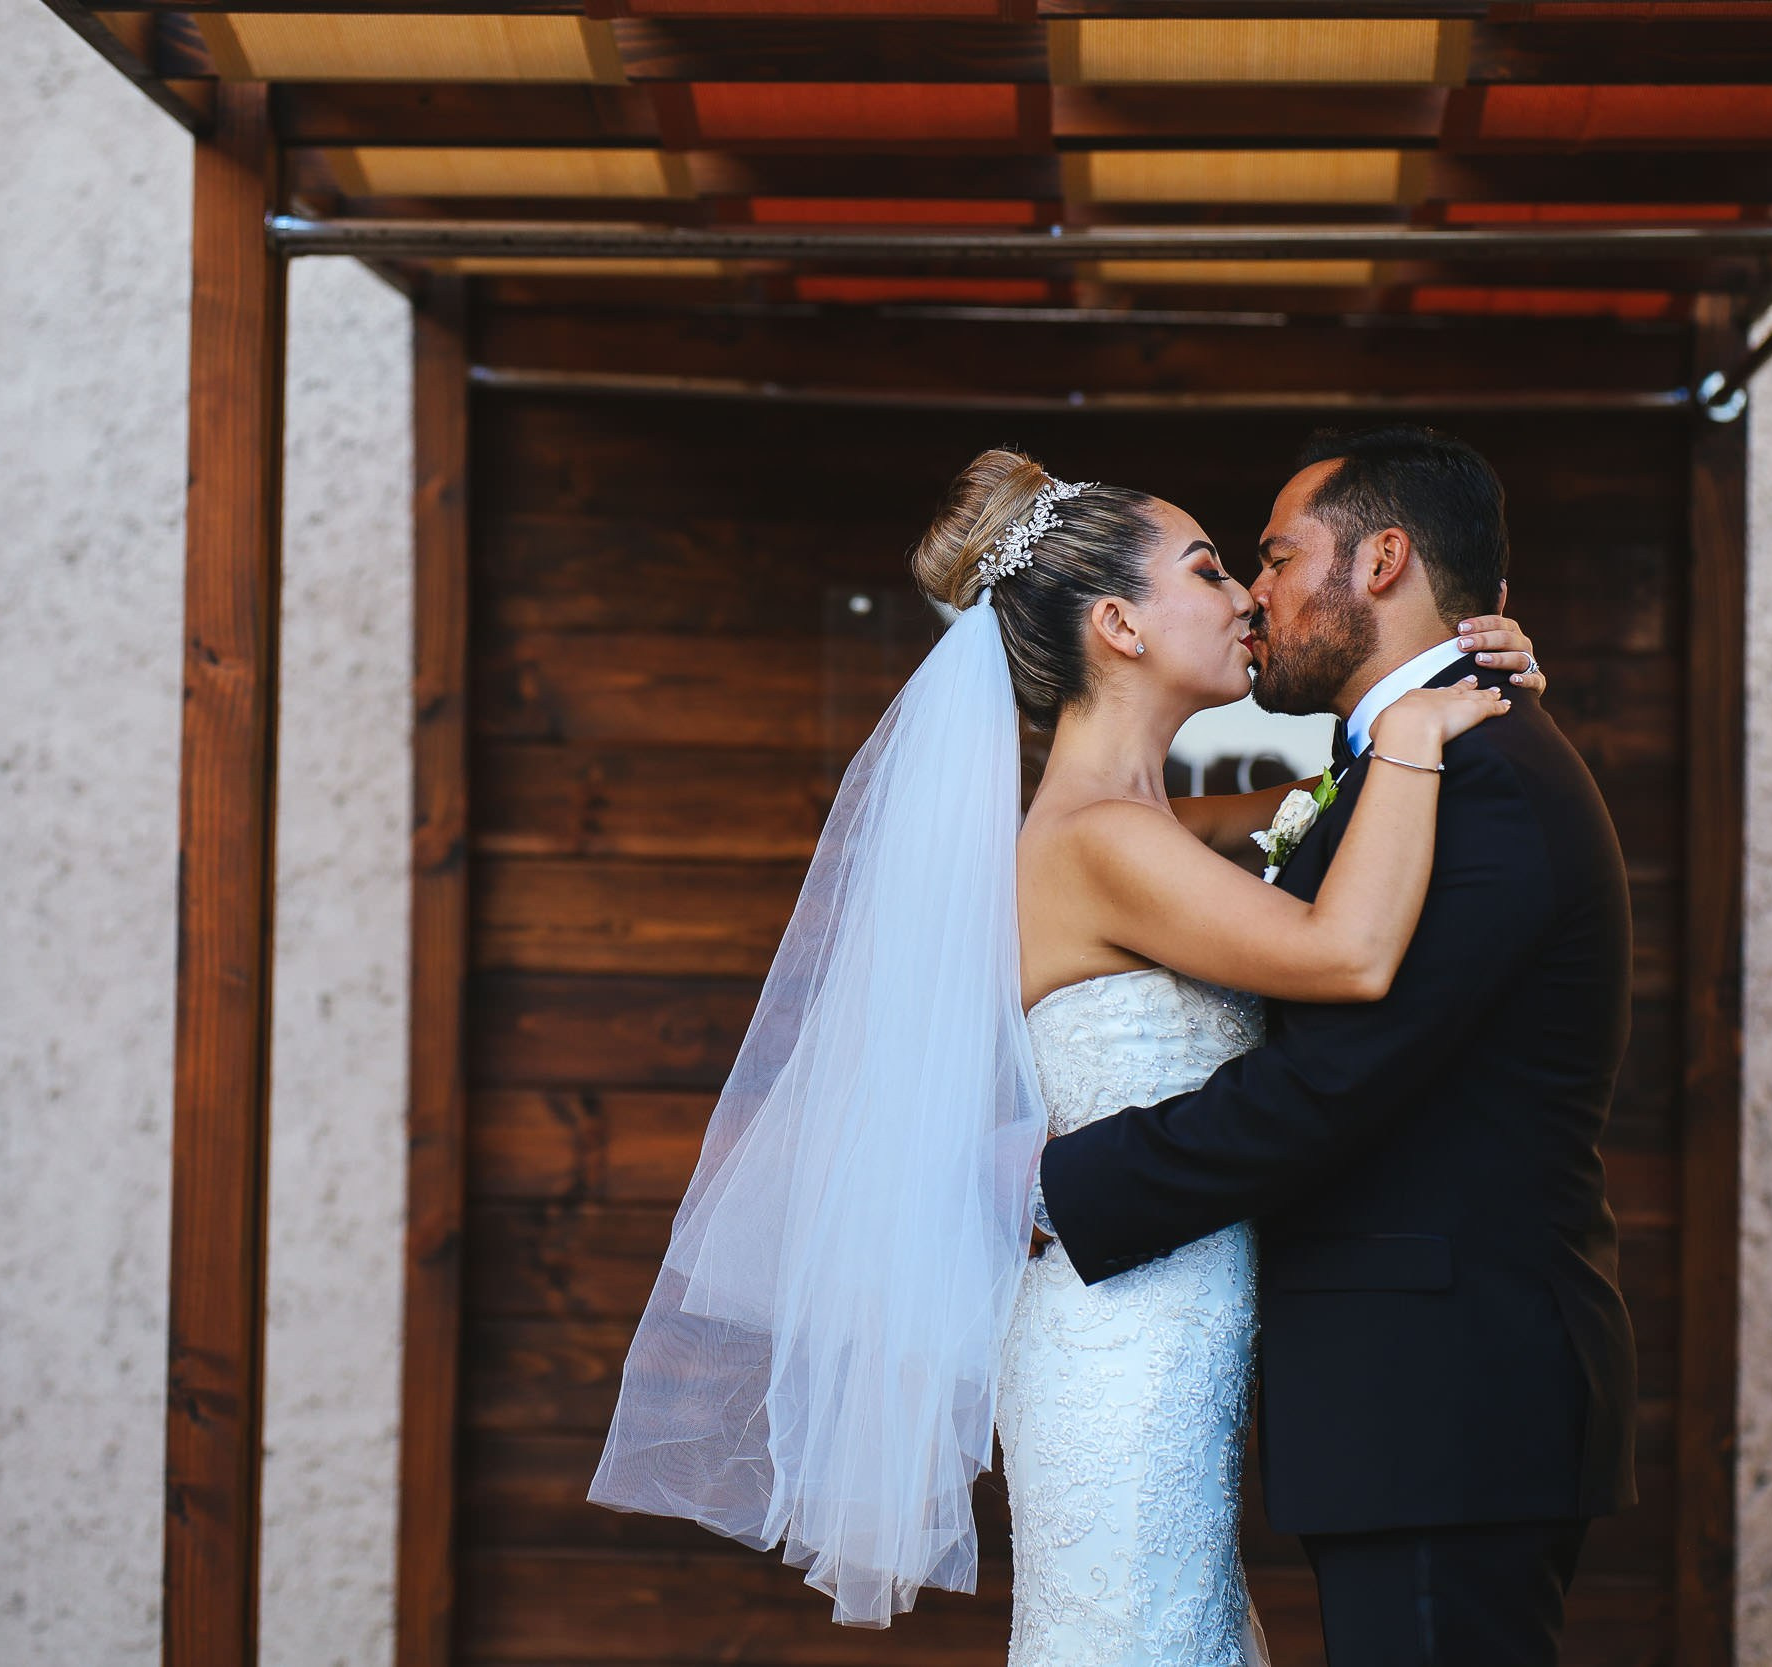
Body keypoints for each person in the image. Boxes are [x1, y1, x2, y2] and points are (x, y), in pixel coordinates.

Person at [584, 441, 1547, 1660]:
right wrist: (1414, 730)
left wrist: (1447, 680)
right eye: (1209, 568)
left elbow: (1321, 816)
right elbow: (1347, 952)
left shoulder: (1145, 826)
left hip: (1153, 1325)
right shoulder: (1099, 838)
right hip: (1121, 1344)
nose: (1248, 596)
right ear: (1119, 627)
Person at [1035, 425, 1638, 1667]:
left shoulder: (1470, 776)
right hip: (1408, 1401)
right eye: (1221, 569)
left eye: (1267, 556)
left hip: (1448, 1399)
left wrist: (1055, 1189)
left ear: (1381, 562)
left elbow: (1330, 1078)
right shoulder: (1402, 769)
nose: (1254, 593)